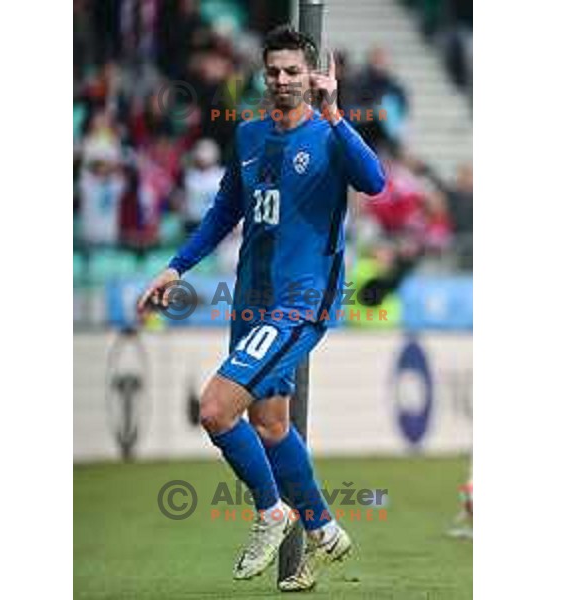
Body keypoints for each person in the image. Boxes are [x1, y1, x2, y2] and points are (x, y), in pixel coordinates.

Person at [137, 25, 385, 592]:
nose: (282, 80)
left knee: (215, 410)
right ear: (263, 74)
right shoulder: (248, 137)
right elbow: (225, 211)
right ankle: (323, 529)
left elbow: (374, 181)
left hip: (300, 303)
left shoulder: (329, 136)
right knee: (270, 425)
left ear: (313, 73)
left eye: (293, 71)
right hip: (251, 300)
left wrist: (337, 115)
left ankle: (272, 512)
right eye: (273, 71)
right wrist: (176, 267)